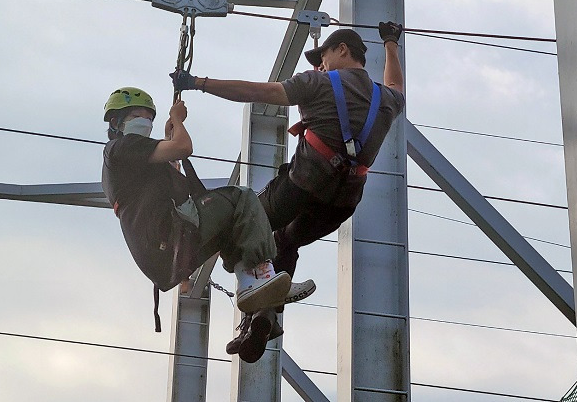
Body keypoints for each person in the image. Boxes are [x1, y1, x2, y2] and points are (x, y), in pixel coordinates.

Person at [173, 22, 406, 356]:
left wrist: (199, 83)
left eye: (323, 55)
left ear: (342, 50)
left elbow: (257, 93)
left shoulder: (318, 83)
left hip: (302, 185)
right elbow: (396, 83)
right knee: (283, 241)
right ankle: (262, 319)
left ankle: (253, 292)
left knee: (242, 223)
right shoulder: (387, 100)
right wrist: (390, 44)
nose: (320, 64)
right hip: (343, 202)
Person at [101, 86, 308, 363]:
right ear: (116, 122)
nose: (146, 123)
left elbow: (168, 166)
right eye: (140, 116)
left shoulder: (126, 160)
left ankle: (253, 303)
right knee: (242, 198)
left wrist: (168, 134)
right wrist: (178, 120)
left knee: (231, 227)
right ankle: (259, 275)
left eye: (150, 118)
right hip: (169, 234)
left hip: (163, 255)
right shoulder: (120, 147)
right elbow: (183, 149)